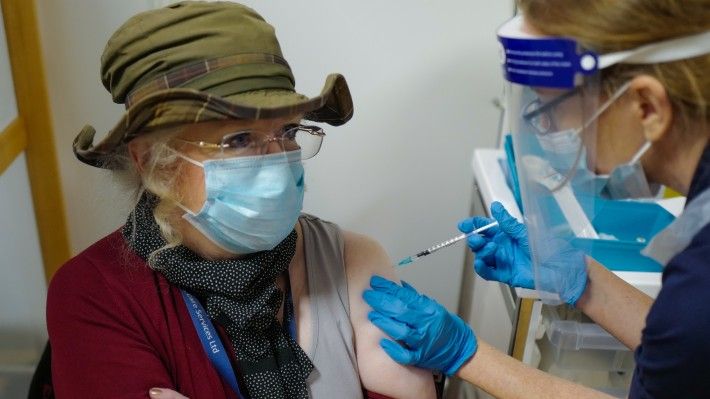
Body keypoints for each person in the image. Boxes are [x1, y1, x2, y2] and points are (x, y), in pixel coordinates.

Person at [46, 2, 435, 398]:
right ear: (153, 164)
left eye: (285, 131)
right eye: (239, 140)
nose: (276, 161)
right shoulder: (94, 293)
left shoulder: (350, 259)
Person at [364, 1, 710, 398]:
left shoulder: (700, 278)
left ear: (646, 106)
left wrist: (466, 354)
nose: (547, 128)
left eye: (555, 107)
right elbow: (690, 357)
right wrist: (582, 280)